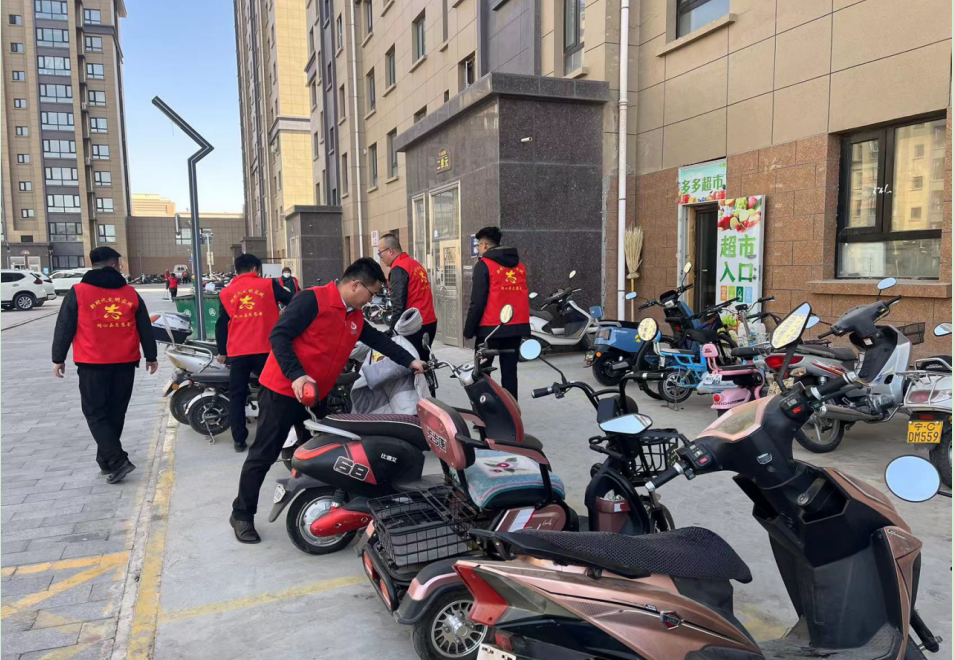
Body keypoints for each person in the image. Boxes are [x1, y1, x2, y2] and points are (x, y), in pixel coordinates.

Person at [229, 258, 426, 543]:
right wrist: (297, 375)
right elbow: (279, 335)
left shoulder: (354, 316)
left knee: (322, 452)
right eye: (371, 293)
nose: (371, 300)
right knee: (263, 455)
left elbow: (379, 341)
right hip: (283, 391)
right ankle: (242, 514)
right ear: (355, 285)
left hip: (315, 395)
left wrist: (410, 361)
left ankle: (322, 503)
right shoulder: (312, 299)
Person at [52, 247, 159, 484]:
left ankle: (118, 460)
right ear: (113, 265)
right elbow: (144, 326)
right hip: (125, 362)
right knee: (115, 412)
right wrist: (151, 356)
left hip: (92, 363)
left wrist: (58, 358)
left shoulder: (78, 292)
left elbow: (64, 326)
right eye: (119, 264)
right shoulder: (130, 293)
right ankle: (106, 461)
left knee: (95, 413)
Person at [215, 253, 293, 452]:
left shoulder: (226, 292)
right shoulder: (268, 285)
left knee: (237, 395)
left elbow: (221, 324)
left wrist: (222, 350)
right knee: (273, 392)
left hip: (238, 352)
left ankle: (239, 440)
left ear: (237, 270)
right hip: (266, 350)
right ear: (255, 269)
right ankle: (273, 435)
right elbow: (293, 301)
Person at [463, 226, 530, 399]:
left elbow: (478, 301)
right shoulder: (520, 266)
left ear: (485, 245)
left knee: (482, 373)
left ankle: (486, 411)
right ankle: (512, 410)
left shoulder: (484, 265)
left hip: (490, 329)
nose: (478, 249)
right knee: (510, 373)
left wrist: (469, 330)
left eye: (479, 245)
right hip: (515, 326)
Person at [377, 233, 437, 360]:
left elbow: (398, 304)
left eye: (380, 253)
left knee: (410, 364)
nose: (380, 257)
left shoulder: (398, 269)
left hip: (412, 325)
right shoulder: (415, 264)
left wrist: (393, 331)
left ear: (390, 251)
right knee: (424, 361)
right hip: (429, 322)